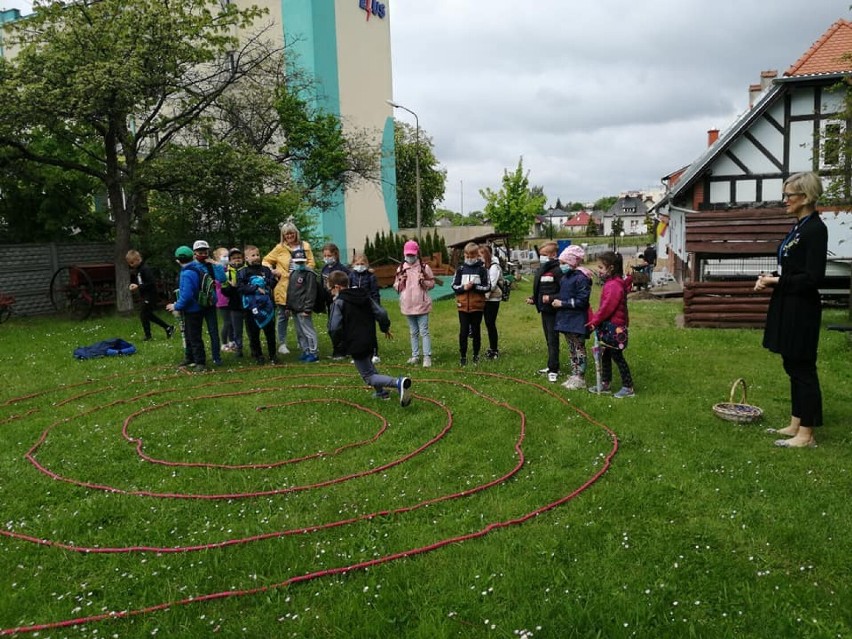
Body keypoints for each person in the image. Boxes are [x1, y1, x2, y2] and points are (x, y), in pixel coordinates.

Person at [755, 171, 827, 448]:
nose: (784, 200)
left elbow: (813, 277)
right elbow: (792, 268)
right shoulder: (798, 227)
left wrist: (777, 280)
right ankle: (796, 422)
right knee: (791, 363)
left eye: (789, 195)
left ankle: (807, 434)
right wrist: (769, 275)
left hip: (802, 307)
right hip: (787, 302)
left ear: (805, 197)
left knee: (803, 368)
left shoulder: (815, 230)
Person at [327, 270, 412, 406]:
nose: (330, 292)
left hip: (355, 342)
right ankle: (381, 392)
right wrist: (384, 327)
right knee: (369, 366)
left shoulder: (339, 303)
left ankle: (398, 382)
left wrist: (339, 346)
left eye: (330, 289)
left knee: (368, 376)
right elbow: (381, 313)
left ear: (337, 287)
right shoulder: (364, 295)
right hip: (370, 339)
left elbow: (333, 327)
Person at [263, 221, 316, 356]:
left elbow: (311, 263)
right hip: (284, 286)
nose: (289, 236)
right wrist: (273, 271)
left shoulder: (305, 246)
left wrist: (304, 271)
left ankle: (303, 342)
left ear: (296, 233)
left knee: (300, 316)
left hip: (301, 286)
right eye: (286, 234)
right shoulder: (279, 248)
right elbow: (265, 260)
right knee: (282, 316)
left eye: (291, 233)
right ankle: (282, 343)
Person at [586, 251, 634, 398]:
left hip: (615, 328)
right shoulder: (613, 283)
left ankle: (628, 387)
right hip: (609, 327)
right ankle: (605, 384)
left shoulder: (614, 286)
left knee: (617, 356)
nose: (599, 271)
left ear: (611, 268)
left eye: (601, 268)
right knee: (605, 354)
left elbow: (607, 308)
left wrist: (594, 321)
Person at [551, 245, 592, 390]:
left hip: (577, 320)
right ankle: (574, 373)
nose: (561, 266)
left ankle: (580, 376)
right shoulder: (566, 277)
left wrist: (563, 303)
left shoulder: (581, 278)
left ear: (572, 262)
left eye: (563, 263)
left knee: (579, 348)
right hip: (566, 319)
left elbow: (582, 301)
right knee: (571, 348)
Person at [393, 240, 435, 367]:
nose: (410, 257)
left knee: (424, 331)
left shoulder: (424, 267)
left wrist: (424, 282)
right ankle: (415, 355)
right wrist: (400, 281)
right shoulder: (401, 268)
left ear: (417, 254)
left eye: (412, 255)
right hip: (408, 305)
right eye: (408, 255)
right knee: (413, 332)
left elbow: (432, 284)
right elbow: (396, 287)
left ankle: (427, 356)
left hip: (421, 305)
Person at [525, 241, 563, 383]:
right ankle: (551, 365)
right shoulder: (542, 269)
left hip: (554, 311)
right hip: (544, 311)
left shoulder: (557, 271)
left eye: (544, 255)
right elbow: (541, 290)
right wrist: (534, 299)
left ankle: (554, 369)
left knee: (553, 340)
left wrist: (551, 298)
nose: (542, 257)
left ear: (553, 255)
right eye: (540, 255)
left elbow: (564, 292)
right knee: (548, 340)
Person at [166, 245, 208, 371]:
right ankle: (190, 357)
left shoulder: (187, 273)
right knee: (189, 335)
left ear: (178, 260)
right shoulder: (194, 269)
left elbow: (187, 295)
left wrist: (176, 306)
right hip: (192, 309)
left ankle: (200, 362)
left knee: (194, 336)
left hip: (193, 310)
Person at [451, 241, 490, 366]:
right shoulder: (461, 269)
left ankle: (476, 355)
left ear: (477, 255)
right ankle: (463, 356)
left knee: (476, 330)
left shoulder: (482, 270)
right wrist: (464, 288)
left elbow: (488, 286)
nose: (469, 259)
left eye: (472, 256)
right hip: (462, 306)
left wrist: (475, 287)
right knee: (463, 332)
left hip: (477, 306)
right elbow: (454, 286)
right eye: (467, 256)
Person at [238, 245, 278, 365]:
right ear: (246, 258)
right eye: (253, 255)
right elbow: (240, 288)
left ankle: (273, 355)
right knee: (253, 333)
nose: (256, 257)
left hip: (267, 306)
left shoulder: (265, 270)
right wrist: (255, 287)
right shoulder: (242, 272)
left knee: (270, 332)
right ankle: (258, 355)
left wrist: (273, 280)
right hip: (251, 308)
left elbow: (271, 283)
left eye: (257, 255)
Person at [126, 249, 174, 341]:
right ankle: (167, 328)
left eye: (132, 263)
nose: (131, 265)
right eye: (129, 263)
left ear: (138, 259)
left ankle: (149, 335)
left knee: (144, 314)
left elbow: (151, 283)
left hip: (150, 295)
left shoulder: (145, 269)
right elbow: (141, 283)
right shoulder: (138, 270)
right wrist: (136, 286)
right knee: (146, 315)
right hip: (145, 295)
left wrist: (138, 287)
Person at [191, 240, 226, 366]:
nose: (203, 254)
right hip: (196, 303)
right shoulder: (192, 266)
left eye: (205, 251)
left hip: (210, 302)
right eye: (200, 252)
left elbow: (222, 279)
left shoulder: (211, 265)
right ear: (195, 253)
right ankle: (198, 357)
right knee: (196, 332)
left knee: (213, 331)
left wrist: (216, 264)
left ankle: (216, 357)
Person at [286, 248, 320, 363]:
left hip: (304, 309)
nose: (299, 264)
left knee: (308, 331)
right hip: (295, 308)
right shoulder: (293, 273)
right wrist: (288, 306)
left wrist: (308, 308)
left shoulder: (309, 274)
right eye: (297, 262)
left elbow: (311, 293)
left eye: (301, 262)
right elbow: (290, 291)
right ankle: (305, 350)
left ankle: (313, 352)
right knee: (300, 332)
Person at [349, 252, 382, 364]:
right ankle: (359, 354)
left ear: (367, 264)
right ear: (353, 264)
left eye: (362, 263)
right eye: (357, 263)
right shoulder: (351, 276)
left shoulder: (371, 277)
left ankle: (374, 353)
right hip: (355, 308)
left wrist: (376, 307)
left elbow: (375, 293)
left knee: (370, 331)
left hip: (368, 307)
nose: (360, 265)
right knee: (357, 332)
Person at [320, 242, 350, 358]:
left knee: (341, 326)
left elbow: (347, 283)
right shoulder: (324, 269)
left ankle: (344, 349)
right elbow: (322, 284)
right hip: (329, 302)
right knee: (332, 325)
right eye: (325, 256)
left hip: (340, 301)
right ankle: (336, 348)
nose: (327, 258)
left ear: (335, 255)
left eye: (329, 255)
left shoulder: (342, 269)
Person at [220, 247, 245, 358]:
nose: (237, 260)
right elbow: (224, 292)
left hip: (248, 304)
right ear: (230, 260)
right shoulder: (226, 274)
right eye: (234, 258)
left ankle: (255, 348)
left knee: (251, 328)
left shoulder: (247, 270)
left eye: (239, 258)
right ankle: (238, 348)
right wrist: (230, 287)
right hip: (234, 305)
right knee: (237, 329)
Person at [479, 244, 503, 359]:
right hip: (483, 297)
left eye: (480, 254)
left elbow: (492, 285)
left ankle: (494, 349)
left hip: (492, 298)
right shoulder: (482, 265)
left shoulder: (494, 266)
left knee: (490, 323)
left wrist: (484, 296)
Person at [213, 247, 234, 352]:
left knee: (232, 322)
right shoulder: (216, 269)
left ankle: (232, 341)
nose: (226, 258)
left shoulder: (229, 268)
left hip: (230, 299)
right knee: (227, 322)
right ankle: (224, 343)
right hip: (222, 300)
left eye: (227, 256)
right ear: (217, 257)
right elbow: (218, 283)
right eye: (224, 256)